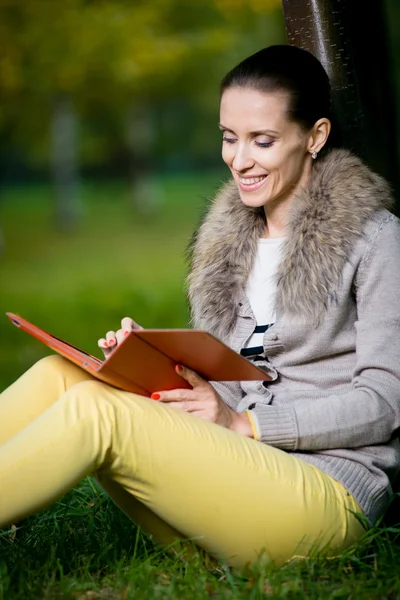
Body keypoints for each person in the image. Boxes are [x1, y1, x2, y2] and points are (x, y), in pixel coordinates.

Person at [1, 44, 400, 569]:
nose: (239, 160)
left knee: (97, 415)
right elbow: (230, 394)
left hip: (324, 494)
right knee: (61, 376)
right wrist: (154, 369)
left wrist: (245, 426)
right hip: (233, 482)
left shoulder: (377, 240)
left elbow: (385, 403)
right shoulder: (231, 243)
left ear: (316, 136)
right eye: (229, 138)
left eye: (263, 141)